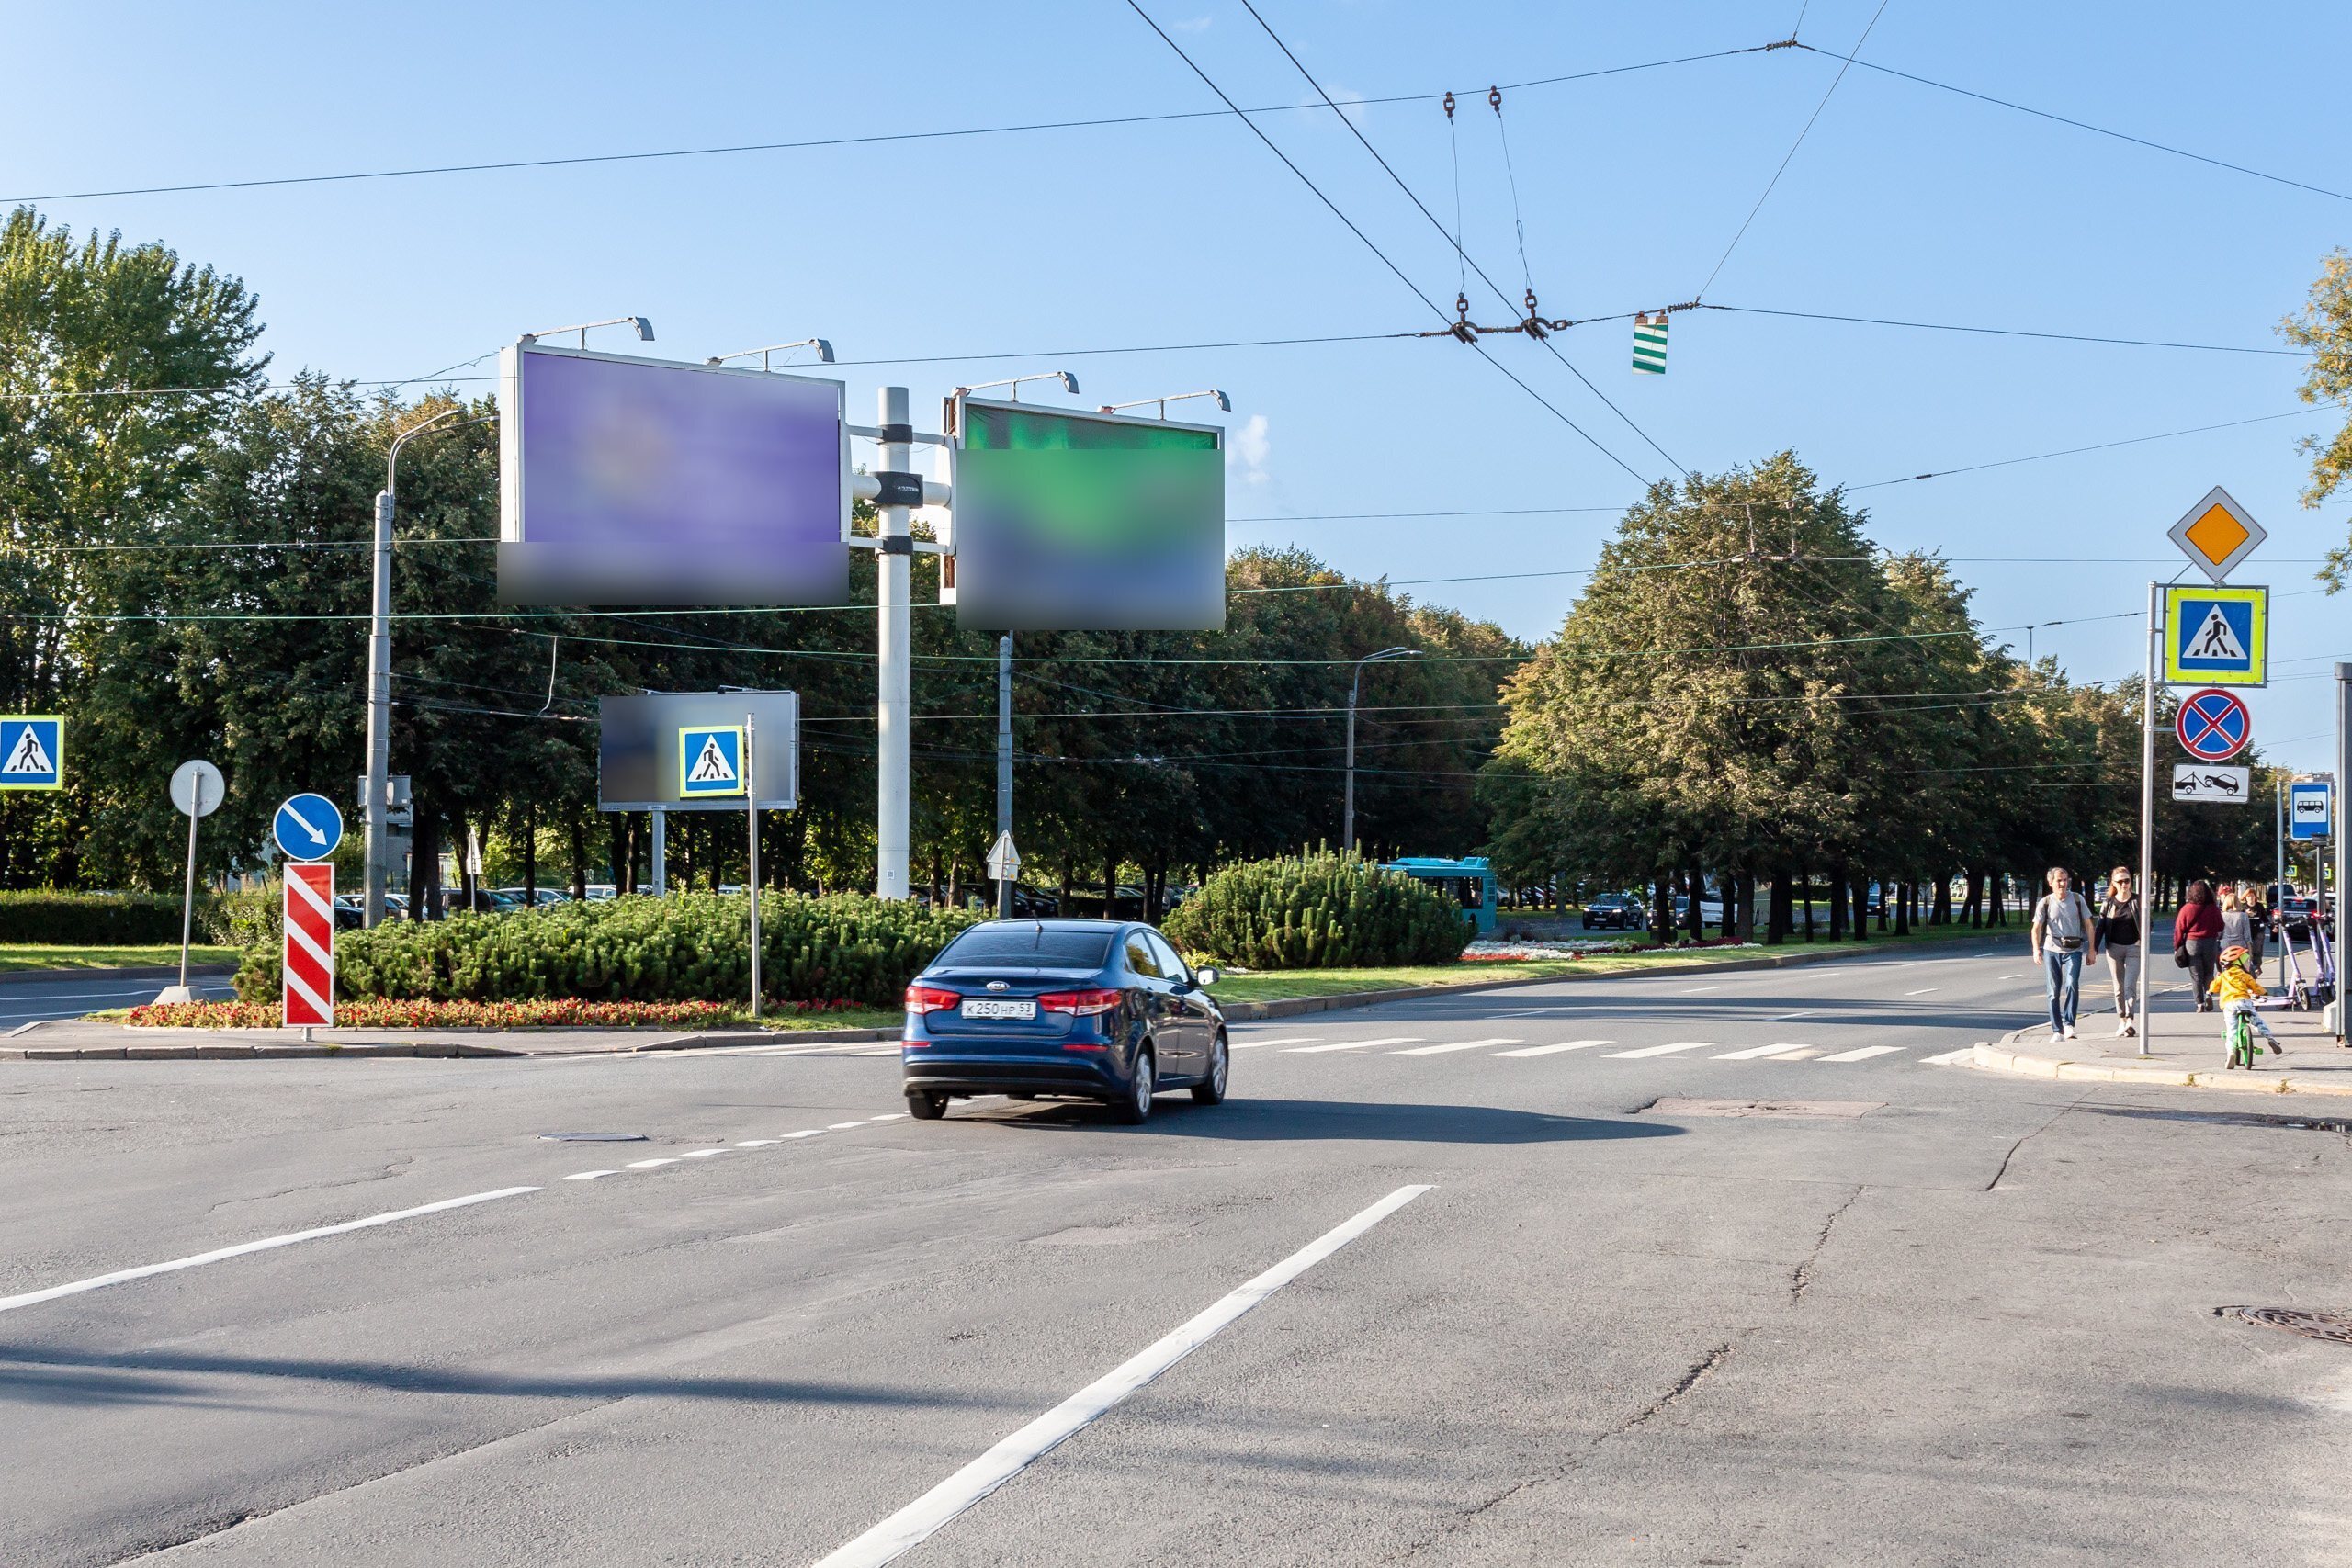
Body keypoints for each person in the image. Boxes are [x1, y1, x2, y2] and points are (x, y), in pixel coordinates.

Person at [2030, 865, 2095, 1041]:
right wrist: (2036, 950)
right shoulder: (2045, 902)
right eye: (2059, 880)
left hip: (2074, 949)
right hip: (2052, 950)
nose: (2062, 884)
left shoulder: (2077, 899)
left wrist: (2091, 950)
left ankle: (2069, 1024)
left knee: (2072, 983)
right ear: (2051, 882)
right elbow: (2036, 928)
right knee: (2053, 990)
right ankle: (2056, 1030)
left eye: (2065, 880)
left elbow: (2089, 925)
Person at [2095, 866, 2143, 1038]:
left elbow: (2147, 923)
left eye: (2127, 880)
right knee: (2118, 987)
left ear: (2131, 881)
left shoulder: (2138, 901)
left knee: (2130, 984)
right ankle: (2122, 1019)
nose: (2124, 884)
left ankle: (2130, 1018)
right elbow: (2100, 927)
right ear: (2114, 883)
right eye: (2120, 881)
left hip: (2134, 948)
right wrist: (2093, 949)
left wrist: (2141, 938)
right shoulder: (2109, 903)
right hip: (2114, 948)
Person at [2209, 944, 2282, 1055]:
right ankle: (2270, 1038)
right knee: (2257, 1022)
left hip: (2229, 1004)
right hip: (2244, 1002)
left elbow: (2214, 987)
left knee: (2231, 1029)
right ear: (2239, 962)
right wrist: (2263, 993)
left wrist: (2209, 993)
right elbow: (2255, 987)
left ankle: (2231, 1052)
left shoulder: (2223, 976)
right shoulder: (2245, 975)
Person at [2174, 880, 2224, 1011]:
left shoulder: (2187, 908)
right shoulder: (2213, 908)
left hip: (2192, 943)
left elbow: (2179, 929)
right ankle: (2209, 994)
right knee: (2209, 973)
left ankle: (2200, 1004)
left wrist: (2177, 946)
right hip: (2210, 942)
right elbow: (2221, 926)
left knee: (2196, 976)